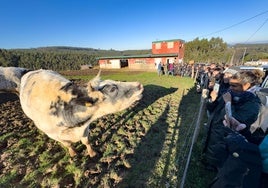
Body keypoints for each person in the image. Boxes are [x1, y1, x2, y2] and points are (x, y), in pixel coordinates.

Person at [202, 70, 263, 170]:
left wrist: (229, 103)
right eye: (230, 85)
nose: (230, 88)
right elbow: (212, 109)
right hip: (215, 132)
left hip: (226, 141)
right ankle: (209, 163)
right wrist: (212, 100)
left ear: (247, 85)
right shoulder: (229, 94)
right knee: (213, 150)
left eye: (234, 86)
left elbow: (235, 123)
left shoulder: (252, 104)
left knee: (221, 162)